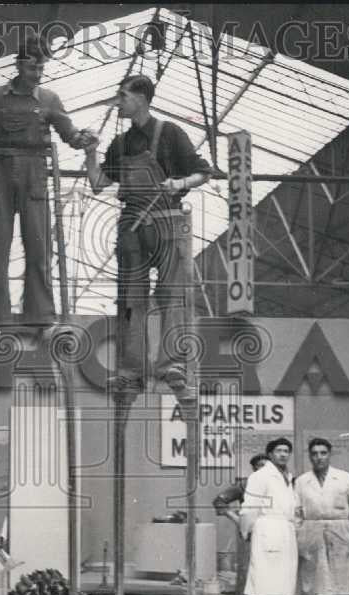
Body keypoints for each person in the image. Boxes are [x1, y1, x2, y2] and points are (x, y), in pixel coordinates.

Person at [0, 33, 96, 342]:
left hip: (35, 175)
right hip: (1, 173)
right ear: (19, 65)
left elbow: (69, 134)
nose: (37, 75)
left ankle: (42, 317)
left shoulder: (49, 100)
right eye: (32, 69)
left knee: (39, 246)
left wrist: (85, 140)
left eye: (42, 70)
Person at [83, 75, 212, 395]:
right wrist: (90, 153)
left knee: (173, 296)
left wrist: (179, 184)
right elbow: (99, 184)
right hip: (132, 227)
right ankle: (131, 370)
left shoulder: (170, 133)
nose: (119, 101)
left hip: (168, 223)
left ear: (142, 98)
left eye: (123, 95)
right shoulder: (120, 144)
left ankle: (172, 365)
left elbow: (203, 173)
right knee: (131, 301)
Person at [293, 438, 349, 595]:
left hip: (340, 530)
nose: (319, 457)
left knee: (344, 580)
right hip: (311, 530)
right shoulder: (302, 481)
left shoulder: (345, 478)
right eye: (314, 453)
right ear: (310, 456)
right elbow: (296, 512)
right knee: (312, 580)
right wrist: (299, 534)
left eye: (323, 453)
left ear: (330, 455)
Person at [239, 438, 298, 595]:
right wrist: (247, 532)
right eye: (278, 451)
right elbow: (249, 507)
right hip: (267, 529)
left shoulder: (287, 477)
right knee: (263, 583)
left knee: (283, 582)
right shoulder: (261, 476)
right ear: (270, 454)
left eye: (286, 451)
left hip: (286, 531)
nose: (283, 454)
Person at [213, 453, 268, 595]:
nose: (263, 468)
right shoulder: (245, 485)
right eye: (259, 465)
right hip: (248, 535)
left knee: (268, 579)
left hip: (271, 535)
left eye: (266, 465)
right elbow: (219, 501)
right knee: (245, 579)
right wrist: (236, 519)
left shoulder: (277, 484)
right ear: (253, 468)